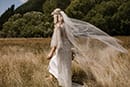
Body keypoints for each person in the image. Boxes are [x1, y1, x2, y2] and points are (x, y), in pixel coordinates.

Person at [47, 8, 128, 87]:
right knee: (65, 65)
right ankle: (63, 81)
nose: (53, 18)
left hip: (61, 49)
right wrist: (72, 50)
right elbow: (70, 39)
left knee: (55, 63)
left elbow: (57, 41)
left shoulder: (58, 27)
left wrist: (51, 52)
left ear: (57, 17)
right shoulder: (66, 26)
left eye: (54, 16)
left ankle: (61, 82)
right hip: (67, 49)